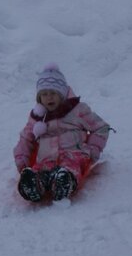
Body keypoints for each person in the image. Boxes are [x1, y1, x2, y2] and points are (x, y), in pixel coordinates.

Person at [14, 64, 111, 202]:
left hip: (74, 154)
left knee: (70, 168)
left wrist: (92, 150)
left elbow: (101, 127)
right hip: (46, 158)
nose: (49, 98)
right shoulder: (37, 117)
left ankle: (64, 183)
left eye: (53, 93)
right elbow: (25, 139)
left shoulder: (77, 110)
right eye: (45, 94)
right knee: (40, 170)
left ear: (62, 94)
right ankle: (33, 185)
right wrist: (22, 162)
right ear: (39, 98)